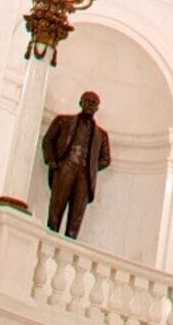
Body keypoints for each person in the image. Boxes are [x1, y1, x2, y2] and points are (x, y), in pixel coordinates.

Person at [43, 90, 114, 239]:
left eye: (94, 103)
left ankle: (68, 244)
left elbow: (106, 159)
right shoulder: (63, 121)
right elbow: (48, 140)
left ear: (97, 108)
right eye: (87, 101)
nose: (90, 105)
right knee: (56, 207)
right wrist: (53, 161)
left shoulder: (101, 135)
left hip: (85, 176)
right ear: (80, 102)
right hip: (65, 167)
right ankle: (49, 239)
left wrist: (91, 167)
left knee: (76, 215)